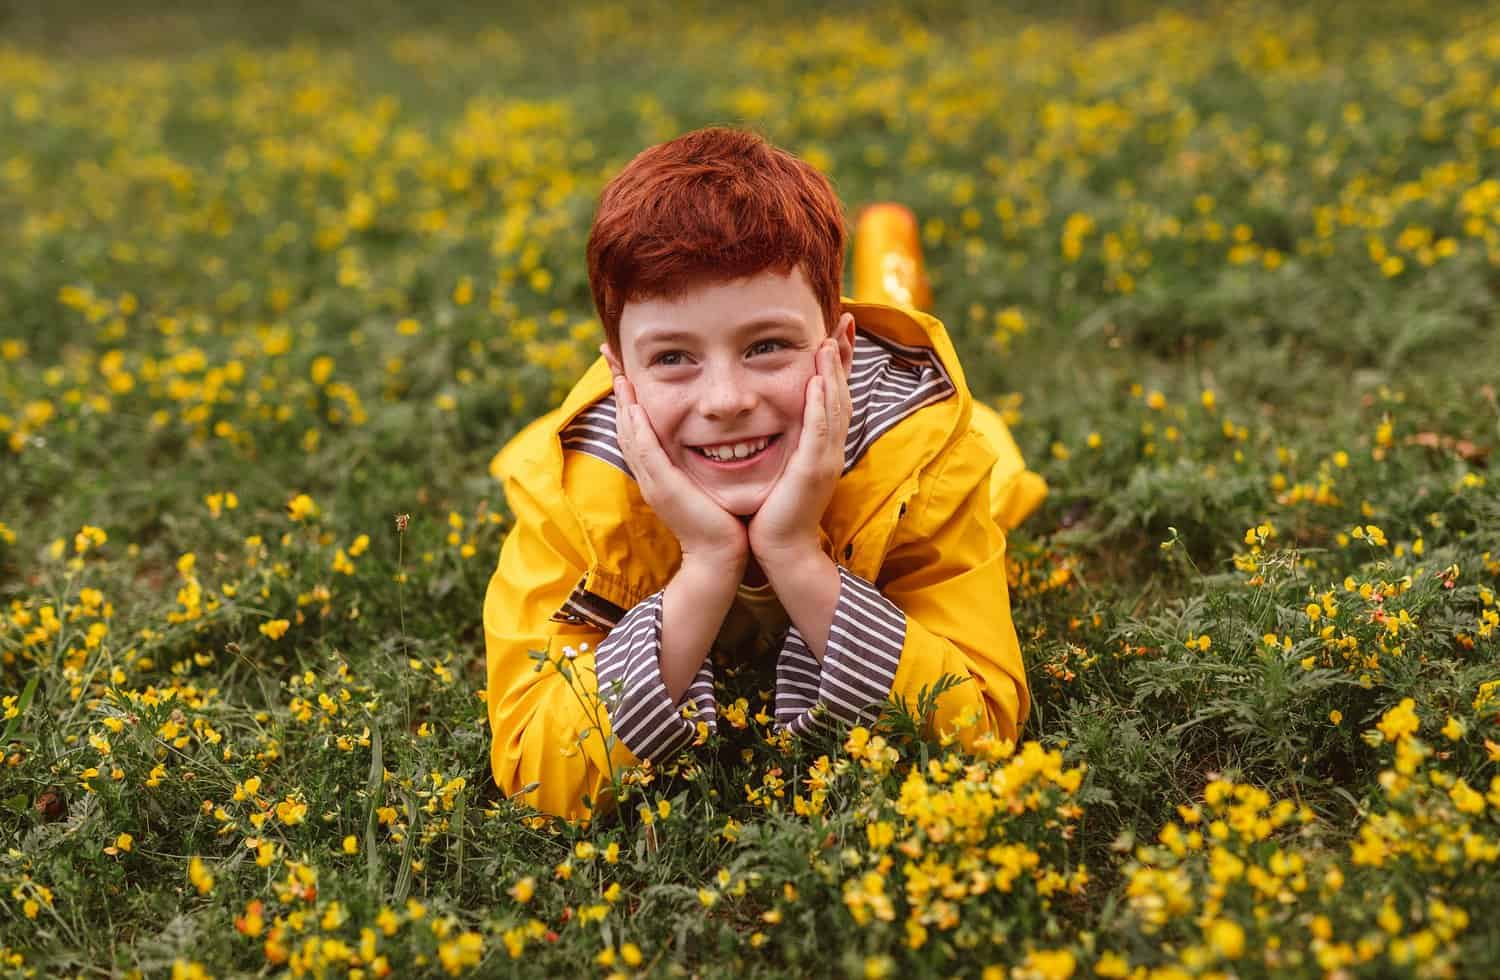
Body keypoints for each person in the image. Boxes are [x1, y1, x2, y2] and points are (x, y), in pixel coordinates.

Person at [483, 127, 1046, 821]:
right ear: (619, 375)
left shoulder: (924, 456)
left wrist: (793, 553)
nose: (726, 401)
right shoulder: (572, 497)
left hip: (877, 423)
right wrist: (709, 563)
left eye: (767, 346)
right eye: (672, 358)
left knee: (1003, 461)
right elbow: (536, 770)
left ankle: (892, 273)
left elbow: (978, 727)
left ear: (839, 352)